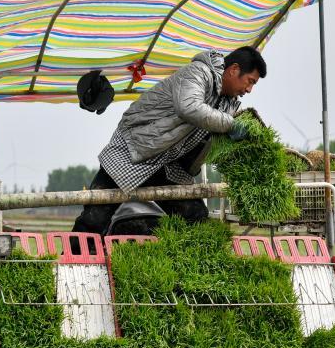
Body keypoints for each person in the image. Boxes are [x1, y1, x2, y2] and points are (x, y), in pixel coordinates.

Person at [72, 46, 267, 235]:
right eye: (250, 81)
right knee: (94, 217)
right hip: (134, 150)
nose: (249, 89)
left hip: (166, 163)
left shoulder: (227, 103)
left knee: (195, 215)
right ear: (234, 70)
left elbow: (216, 134)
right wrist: (231, 125)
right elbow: (189, 108)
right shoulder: (198, 73)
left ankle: (184, 261)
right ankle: (71, 264)